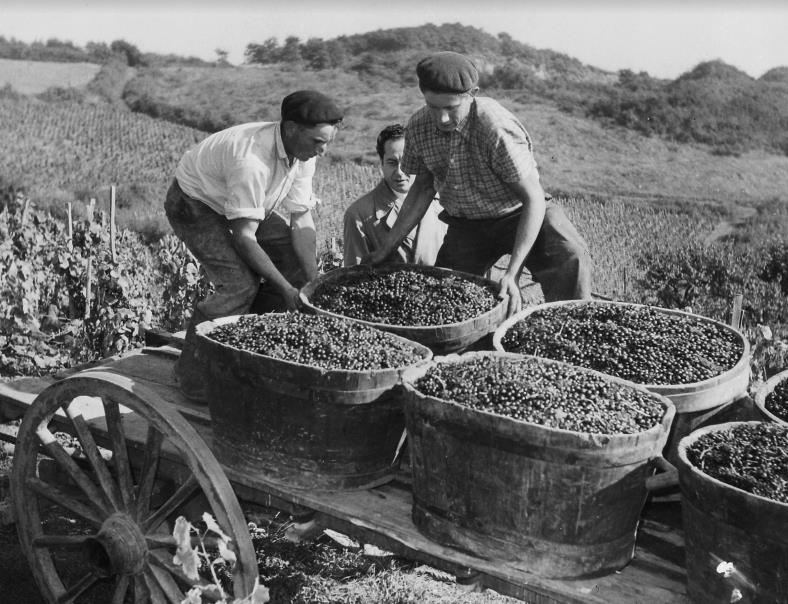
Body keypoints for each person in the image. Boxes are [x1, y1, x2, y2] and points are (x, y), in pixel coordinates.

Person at [365, 51, 592, 316]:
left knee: (570, 258)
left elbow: (533, 198)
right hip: (468, 223)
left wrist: (512, 274)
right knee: (445, 294)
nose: (442, 119)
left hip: (519, 212)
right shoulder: (418, 126)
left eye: (451, 108)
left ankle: (571, 326)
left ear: (472, 94)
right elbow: (423, 188)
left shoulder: (494, 127)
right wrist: (387, 246)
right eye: (433, 107)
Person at [164, 89, 343, 400]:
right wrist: (285, 291)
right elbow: (245, 238)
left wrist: (312, 280)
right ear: (291, 129)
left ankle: (247, 351)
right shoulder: (252, 160)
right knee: (239, 285)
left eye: (327, 143)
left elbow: (301, 221)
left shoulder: (304, 154)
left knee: (295, 267)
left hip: (236, 203)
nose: (323, 151)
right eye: (318, 142)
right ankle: (192, 378)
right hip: (195, 203)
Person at [343, 124, 446, 266]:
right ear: (382, 164)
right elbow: (353, 276)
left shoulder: (443, 203)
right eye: (392, 163)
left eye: (406, 162)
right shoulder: (359, 214)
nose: (400, 172)